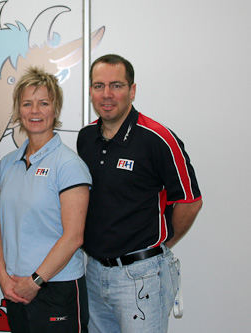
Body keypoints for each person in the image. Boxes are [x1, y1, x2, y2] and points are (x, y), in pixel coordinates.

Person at [77, 54, 203, 333]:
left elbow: (190, 201)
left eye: (116, 85)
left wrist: (159, 247)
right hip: (94, 273)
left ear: (132, 90)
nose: (107, 94)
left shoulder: (158, 139)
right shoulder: (85, 138)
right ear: (90, 91)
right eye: (99, 86)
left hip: (141, 277)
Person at [0, 67, 92, 332]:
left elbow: (74, 237)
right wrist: (2, 276)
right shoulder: (7, 164)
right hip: (15, 288)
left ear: (56, 109)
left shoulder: (69, 165)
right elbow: (0, 226)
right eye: (27, 103)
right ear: (18, 110)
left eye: (43, 103)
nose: (35, 111)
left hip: (56, 288)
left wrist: (35, 281)